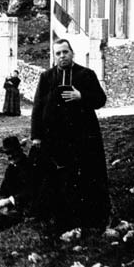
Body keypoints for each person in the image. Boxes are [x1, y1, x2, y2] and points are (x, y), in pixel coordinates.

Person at [30, 39, 110, 230]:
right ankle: (60, 218)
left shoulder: (86, 74)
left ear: (72, 53)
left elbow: (100, 100)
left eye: (65, 52)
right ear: (54, 56)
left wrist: (81, 96)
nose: (62, 56)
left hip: (83, 136)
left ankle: (90, 217)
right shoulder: (47, 77)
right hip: (56, 137)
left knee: (87, 175)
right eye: (58, 53)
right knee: (59, 177)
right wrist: (36, 136)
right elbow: (37, 108)